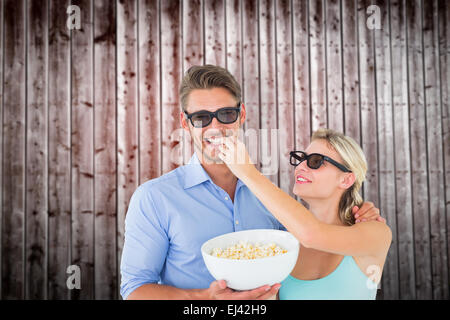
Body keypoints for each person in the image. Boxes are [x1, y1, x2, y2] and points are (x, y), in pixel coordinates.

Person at [119, 64, 385, 300]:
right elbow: (134, 290)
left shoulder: (273, 202)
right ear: (185, 123)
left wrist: (359, 209)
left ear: (241, 115)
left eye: (225, 114)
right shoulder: (154, 198)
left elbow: (313, 234)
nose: (215, 127)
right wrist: (204, 298)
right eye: (201, 117)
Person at [217, 128, 392, 299]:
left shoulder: (376, 233)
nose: (300, 166)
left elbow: (311, 235)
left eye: (315, 161)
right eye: (301, 159)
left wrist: (248, 173)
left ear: (346, 179)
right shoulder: (282, 244)